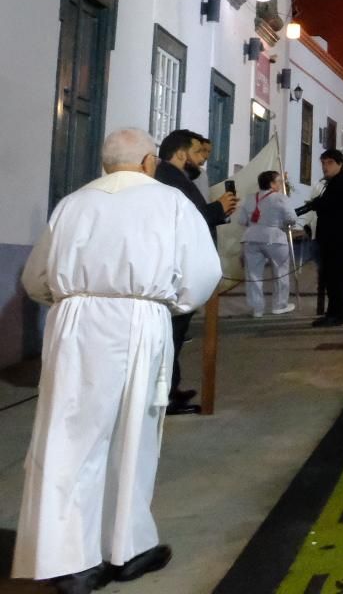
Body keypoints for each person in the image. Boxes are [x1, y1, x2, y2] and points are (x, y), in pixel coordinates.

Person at [13, 128, 222, 593]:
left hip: (76, 322)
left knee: (70, 435)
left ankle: (69, 558)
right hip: (140, 319)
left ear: (106, 163)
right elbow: (203, 274)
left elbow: (36, 277)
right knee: (136, 433)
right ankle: (125, 548)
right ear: (149, 161)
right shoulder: (169, 202)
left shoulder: (73, 203)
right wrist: (170, 303)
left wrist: (71, 300)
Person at [154, 129, 236, 414]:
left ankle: (170, 388)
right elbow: (187, 220)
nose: (203, 161)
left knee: (176, 334)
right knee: (171, 333)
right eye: (199, 153)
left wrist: (219, 211)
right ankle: (163, 395)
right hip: (176, 268)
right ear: (180, 152)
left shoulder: (177, 179)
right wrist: (216, 209)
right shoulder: (167, 179)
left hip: (183, 266)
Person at [297, 149, 343, 328]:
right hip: (337, 237)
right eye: (323, 163)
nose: (324, 167)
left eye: (329, 163)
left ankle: (336, 314)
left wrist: (317, 205)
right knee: (336, 276)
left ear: (339, 163)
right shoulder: (338, 181)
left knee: (334, 275)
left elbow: (336, 206)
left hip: (339, 238)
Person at [234, 170, 301, 317]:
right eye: (279, 181)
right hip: (275, 238)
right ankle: (279, 305)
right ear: (272, 184)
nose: (281, 184)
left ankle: (257, 308)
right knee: (281, 272)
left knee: (253, 275)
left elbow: (242, 221)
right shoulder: (280, 198)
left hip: (251, 238)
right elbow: (292, 218)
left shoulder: (250, 198)